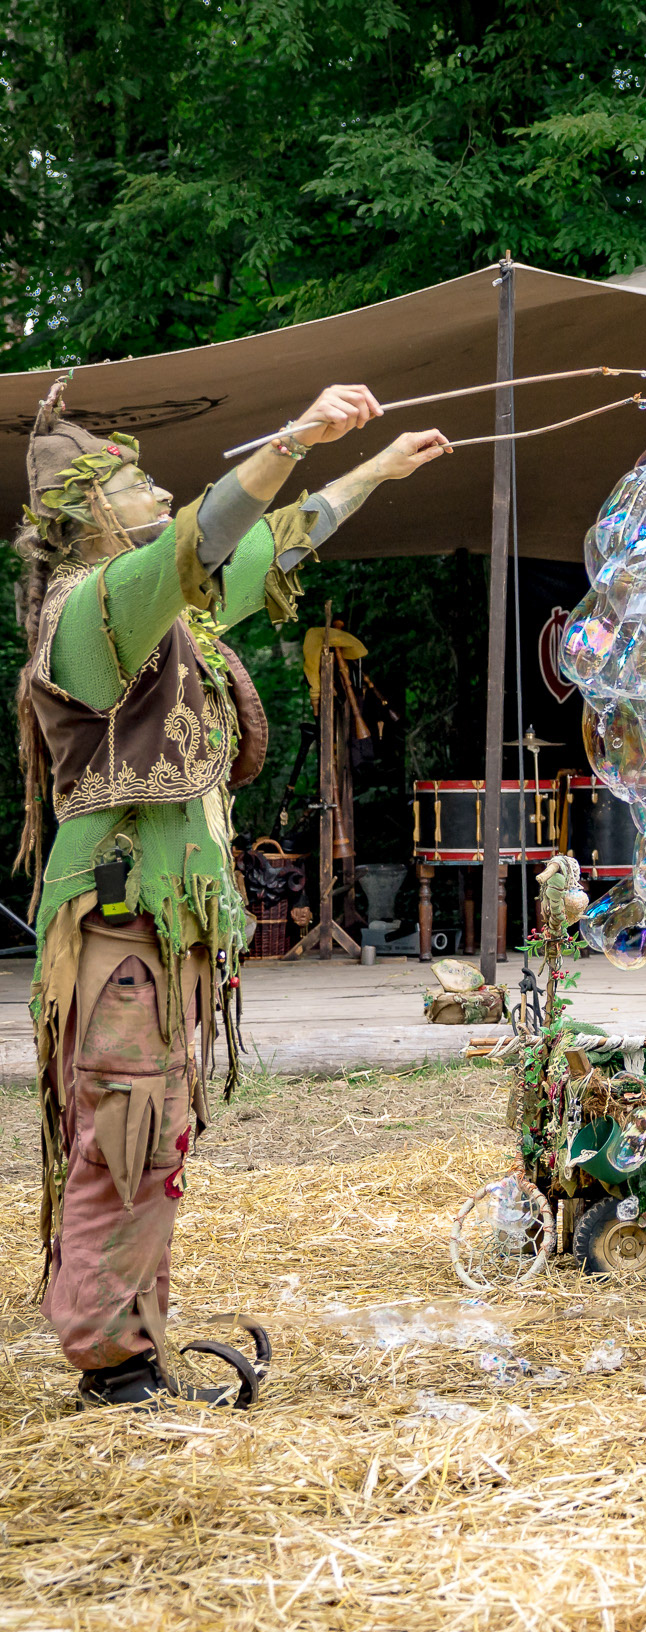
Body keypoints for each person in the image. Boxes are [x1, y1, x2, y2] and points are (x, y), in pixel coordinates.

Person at [17, 380, 450, 1407]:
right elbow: (207, 537)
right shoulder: (91, 609)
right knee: (127, 1130)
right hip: (119, 922)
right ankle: (113, 1364)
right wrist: (294, 437)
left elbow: (270, 544)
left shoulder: (164, 615)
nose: (160, 492)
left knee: (152, 1129)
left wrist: (373, 467)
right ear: (90, 512)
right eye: (137, 485)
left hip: (152, 926)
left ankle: (134, 1344)